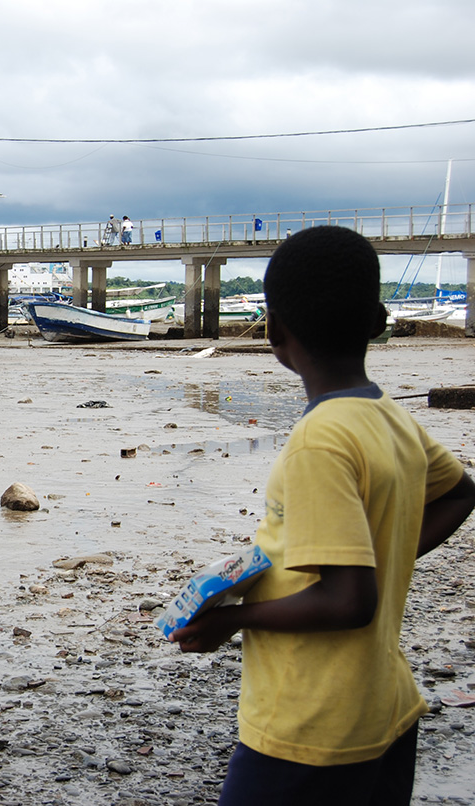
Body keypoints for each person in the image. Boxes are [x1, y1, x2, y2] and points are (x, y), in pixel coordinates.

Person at [171, 225, 475, 806]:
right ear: (376, 321)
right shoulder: (389, 417)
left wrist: (233, 621)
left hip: (309, 724)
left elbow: (347, 602)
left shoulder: (319, 441)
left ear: (275, 328)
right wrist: (379, 553)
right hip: (385, 706)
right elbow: (461, 493)